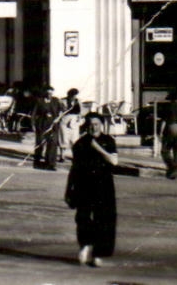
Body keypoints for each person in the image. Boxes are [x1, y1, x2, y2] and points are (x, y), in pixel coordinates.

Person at [65, 112, 120, 267]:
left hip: (104, 184)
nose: (93, 127)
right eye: (90, 124)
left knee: (104, 219)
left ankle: (99, 254)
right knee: (83, 217)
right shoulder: (80, 144)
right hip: (84, 184)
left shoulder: (108, 141)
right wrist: (69, 190)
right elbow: (74, 168)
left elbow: (114, 161)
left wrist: (97, 148)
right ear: (86, 126)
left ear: (101, 125)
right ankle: (85, 245)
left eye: (96, 124)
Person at [31, 85, 63, 170]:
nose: (49, 95)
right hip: (42, 124)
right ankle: (37, 161)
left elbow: (61, 110)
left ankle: (51, 164)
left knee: (52, 143)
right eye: (48, 93)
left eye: (51, 93)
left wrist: (59, 116)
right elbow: (34, 114)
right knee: (40, 143)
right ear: (45, 93)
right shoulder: (39, 101)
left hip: (53, 125)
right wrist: (33, 124)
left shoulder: (56, 101)